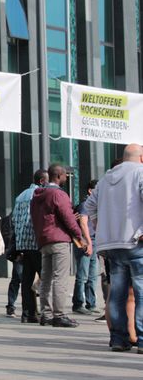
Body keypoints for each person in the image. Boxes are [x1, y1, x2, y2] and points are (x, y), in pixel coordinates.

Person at [84, 143, 143, 351]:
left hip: (112, 244)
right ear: (141, 158)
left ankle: (118, 339)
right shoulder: (140, 173)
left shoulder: (105, 178)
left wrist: (98, 224)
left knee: (116, 293)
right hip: (136, 242)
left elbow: (89, 206)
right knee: (141, 292)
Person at [29, 164, 81, 328]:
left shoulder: (37, 195)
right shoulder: (58, 194)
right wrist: (79, 235)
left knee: (46, 278)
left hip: (44, 240)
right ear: (58, 176)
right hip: (59, 239)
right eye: (65, 175)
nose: (66, 178)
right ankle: (59, 314)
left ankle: (46, 314)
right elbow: (68, 217)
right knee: (60, 277)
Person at [12, 169, 48, 323]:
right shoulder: (39, 194)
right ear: (41, 181)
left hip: (23, 244)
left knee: (27, 280)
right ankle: (47, 313)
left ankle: (27, 314)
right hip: (36, 241)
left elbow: (13, 219)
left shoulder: (21, 195)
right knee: (45, 278)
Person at [73, 179, 99, 315]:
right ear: (90, 191)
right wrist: (88, 243)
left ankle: (91, 303)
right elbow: (83, 224)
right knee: (83, 275)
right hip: (85, 243)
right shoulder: (85, 205)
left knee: (93, 276)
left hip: (94, 242)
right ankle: (78, 304)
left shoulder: (93, 205)